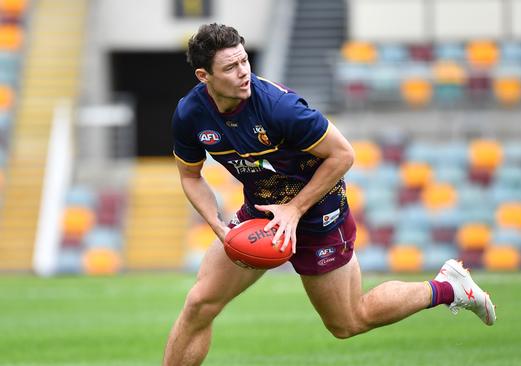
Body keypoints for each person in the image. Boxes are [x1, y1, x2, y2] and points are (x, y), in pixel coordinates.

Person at [164, 23, 496, 365]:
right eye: (230, 67)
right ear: (205, 76)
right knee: (199, 305)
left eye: (245, 61)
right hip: (263, 212)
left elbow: (343, 155)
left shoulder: (281, 108)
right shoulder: (190, 114)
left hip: (317, 213)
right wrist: (218, 225)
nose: (243, 72)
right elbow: (190, 176)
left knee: (348, 321)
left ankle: (448, 287)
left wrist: (294, 210)